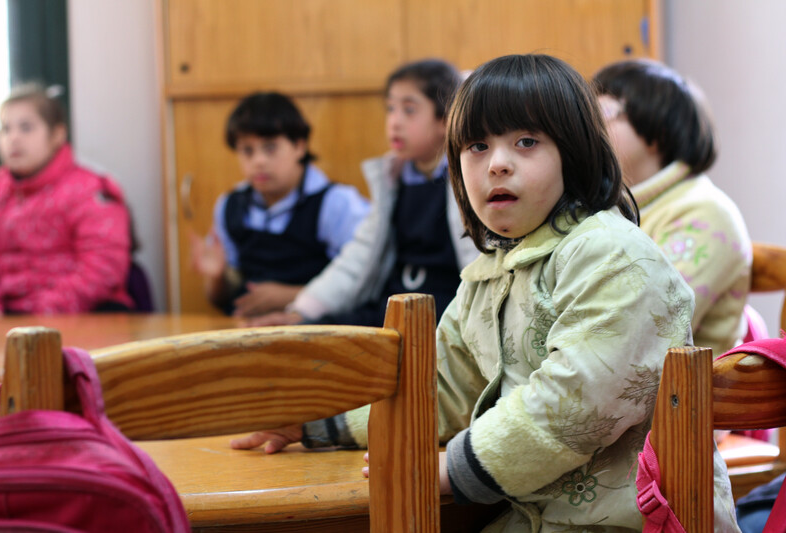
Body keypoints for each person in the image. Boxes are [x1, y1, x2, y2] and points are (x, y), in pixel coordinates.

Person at [232, 54, 740, 531]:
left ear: (575, 153)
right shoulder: (492, 270)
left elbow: (575, 400)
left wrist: (453, 469)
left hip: (637, 521)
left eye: (526, 142)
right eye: (477, 147)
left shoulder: (612, 255)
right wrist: (319, 424)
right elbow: (442, 384)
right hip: (533, 517)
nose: (496, 163)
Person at [247, 58, 478, 328]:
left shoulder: (469, 177)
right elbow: (358, 258)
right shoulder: (392, 179)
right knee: (319, 332)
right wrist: (301, 312)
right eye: (390, 109)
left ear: (445, 119)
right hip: (392, 306)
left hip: (448, 313)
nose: (394, 122)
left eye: (409, 110)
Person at [594, 59, 752, 357]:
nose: (589, 132)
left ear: (658, 133)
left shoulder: (704, 213)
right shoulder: (614, 207)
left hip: (689, 396)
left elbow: (651, 329)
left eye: (603, 114)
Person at [191, 92, 370, 317]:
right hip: (248, 333)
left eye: (270, 147)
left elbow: (366, 284)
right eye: (247, 150)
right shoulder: (229, 205)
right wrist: (217, 277)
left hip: (318, 334)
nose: (259, 161)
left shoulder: (337, 203)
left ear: (299, 146)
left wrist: (290, 295)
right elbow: (220, 299)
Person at [0, 84, 133, 316]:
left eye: (26, 127)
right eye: (5, 129)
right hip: (4, 319)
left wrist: (46, 312)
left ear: (57, 135)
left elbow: (103, 265)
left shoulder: (90, 189)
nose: (13, 138)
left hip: (81, 315)